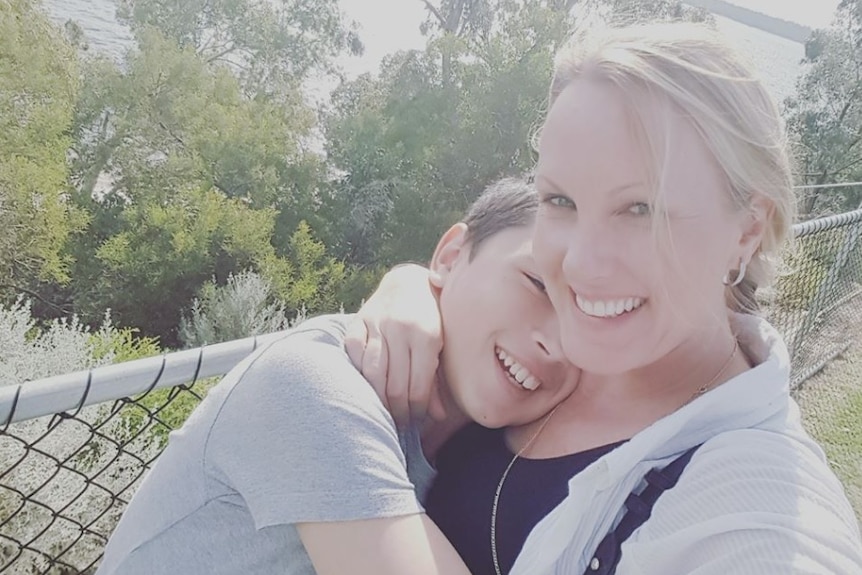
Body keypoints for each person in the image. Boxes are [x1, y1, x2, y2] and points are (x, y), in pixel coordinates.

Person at [345, 21, 862, 575]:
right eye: (560, 200)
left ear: (746, 230)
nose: (579, 265)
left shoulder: (753, 506)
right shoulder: (554, 350)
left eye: (641, 209)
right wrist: (417, 286)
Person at [95, 178, 580, 575]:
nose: (558, 343)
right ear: (452, 256)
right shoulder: (316, 386)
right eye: (537, 283)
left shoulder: (483, 449)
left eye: (586, 322)